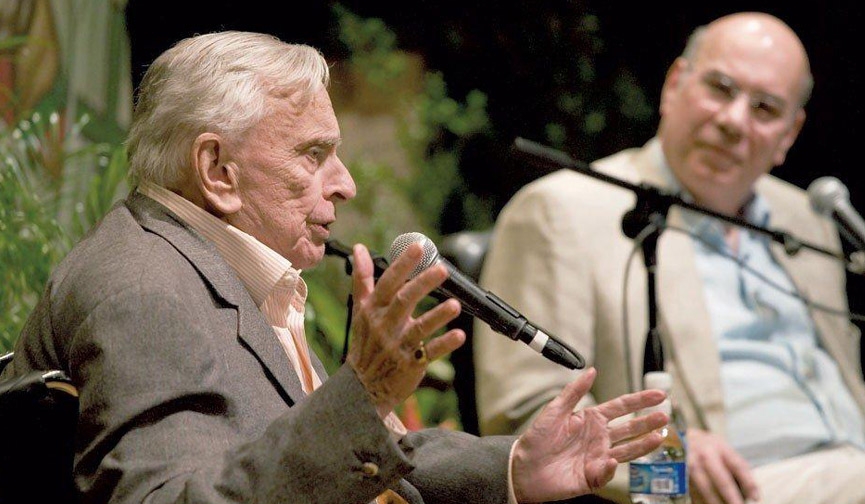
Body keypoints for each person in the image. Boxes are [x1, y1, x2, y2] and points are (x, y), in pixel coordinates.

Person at [0, 30, 671, 504]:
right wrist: (366, 391)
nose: (344, 183)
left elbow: (352, 456)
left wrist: (517, 466)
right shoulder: (146, 291)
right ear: (217, 171)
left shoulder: (220, 266)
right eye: (313, 154)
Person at [474, 11, 865, 504]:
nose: (734, 121)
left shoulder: (805, 218)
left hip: (863, 467)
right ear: (675, 84)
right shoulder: (562, 209)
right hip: (738, 487)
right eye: (720, 88)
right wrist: (668, 459)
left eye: (764, 109)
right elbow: (525, 414)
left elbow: (852, 389)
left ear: (789, 134)